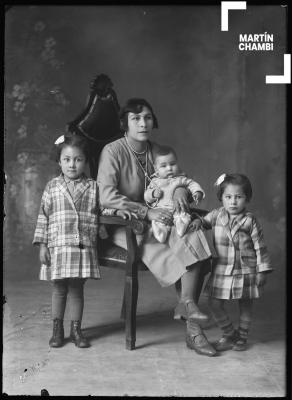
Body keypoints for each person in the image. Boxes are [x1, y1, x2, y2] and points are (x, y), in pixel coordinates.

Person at [97, 98, 217, 356]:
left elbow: (176, 176)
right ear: (124, 124)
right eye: (136, 118)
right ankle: (194, 331)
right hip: (127, 223)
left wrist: (180, 192)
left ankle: (186, 305)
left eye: (148, 117)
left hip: (162, 220)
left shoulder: (158, 150)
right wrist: (145, 211)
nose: (143, 123)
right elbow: (105, 196)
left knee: (193, 235)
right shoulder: (112, 151)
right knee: (180, 257)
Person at [191, 173, 273, 351]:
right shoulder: (217, 215)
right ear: (221, 198)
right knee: (214, 303)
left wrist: (262, 270)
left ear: (247, 198)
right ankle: (229, 333)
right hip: (222, 268)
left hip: (246, 270)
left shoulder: (249, 220)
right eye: (228, 197)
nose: (233, 202)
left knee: (245, 303)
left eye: (238, 197)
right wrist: (196, 222)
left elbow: (260, 247)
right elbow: (203, 223)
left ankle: (242, 337)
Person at [33, 134, 100, 349]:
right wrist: (43, 244)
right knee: (59, 289)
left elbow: (102, 212)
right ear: (59, 161)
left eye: (78, 159)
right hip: (58, 247)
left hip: (81, 247)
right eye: (67, 159)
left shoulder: (92, 187)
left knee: (77, 289)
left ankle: (76, 329)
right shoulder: (52, 187)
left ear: (86, 161)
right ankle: (57, 329)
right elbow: (43, 216)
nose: (72, 164)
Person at [144, 144, 205, 242]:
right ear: (156, 169)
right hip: (162, 211)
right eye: (163, 166)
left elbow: (192, 184)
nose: (169, 168)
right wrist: (153, 194)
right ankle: (160, 233)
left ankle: (181, 228)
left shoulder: (180, 179)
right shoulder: (155, 182)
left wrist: (197, 192)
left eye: (172, 164)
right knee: (158, 222)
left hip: (178, 210)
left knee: (183, 216)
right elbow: (146, 196)